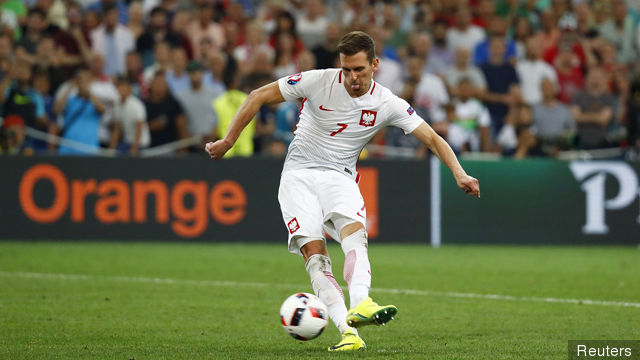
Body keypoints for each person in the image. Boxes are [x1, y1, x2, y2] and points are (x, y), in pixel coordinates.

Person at [205, 31, 480, 352]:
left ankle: (361, 302)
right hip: (298, 177)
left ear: (375, 65)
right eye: (347, 69)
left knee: (355, 235)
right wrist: (228, 141)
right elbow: (256, 96)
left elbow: (433, 138)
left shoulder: (388, 103)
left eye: (360, 70)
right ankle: (348, 333)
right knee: (316, 259)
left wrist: (459, 172)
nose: (352, 78)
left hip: (339, 176)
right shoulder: (318, 80)